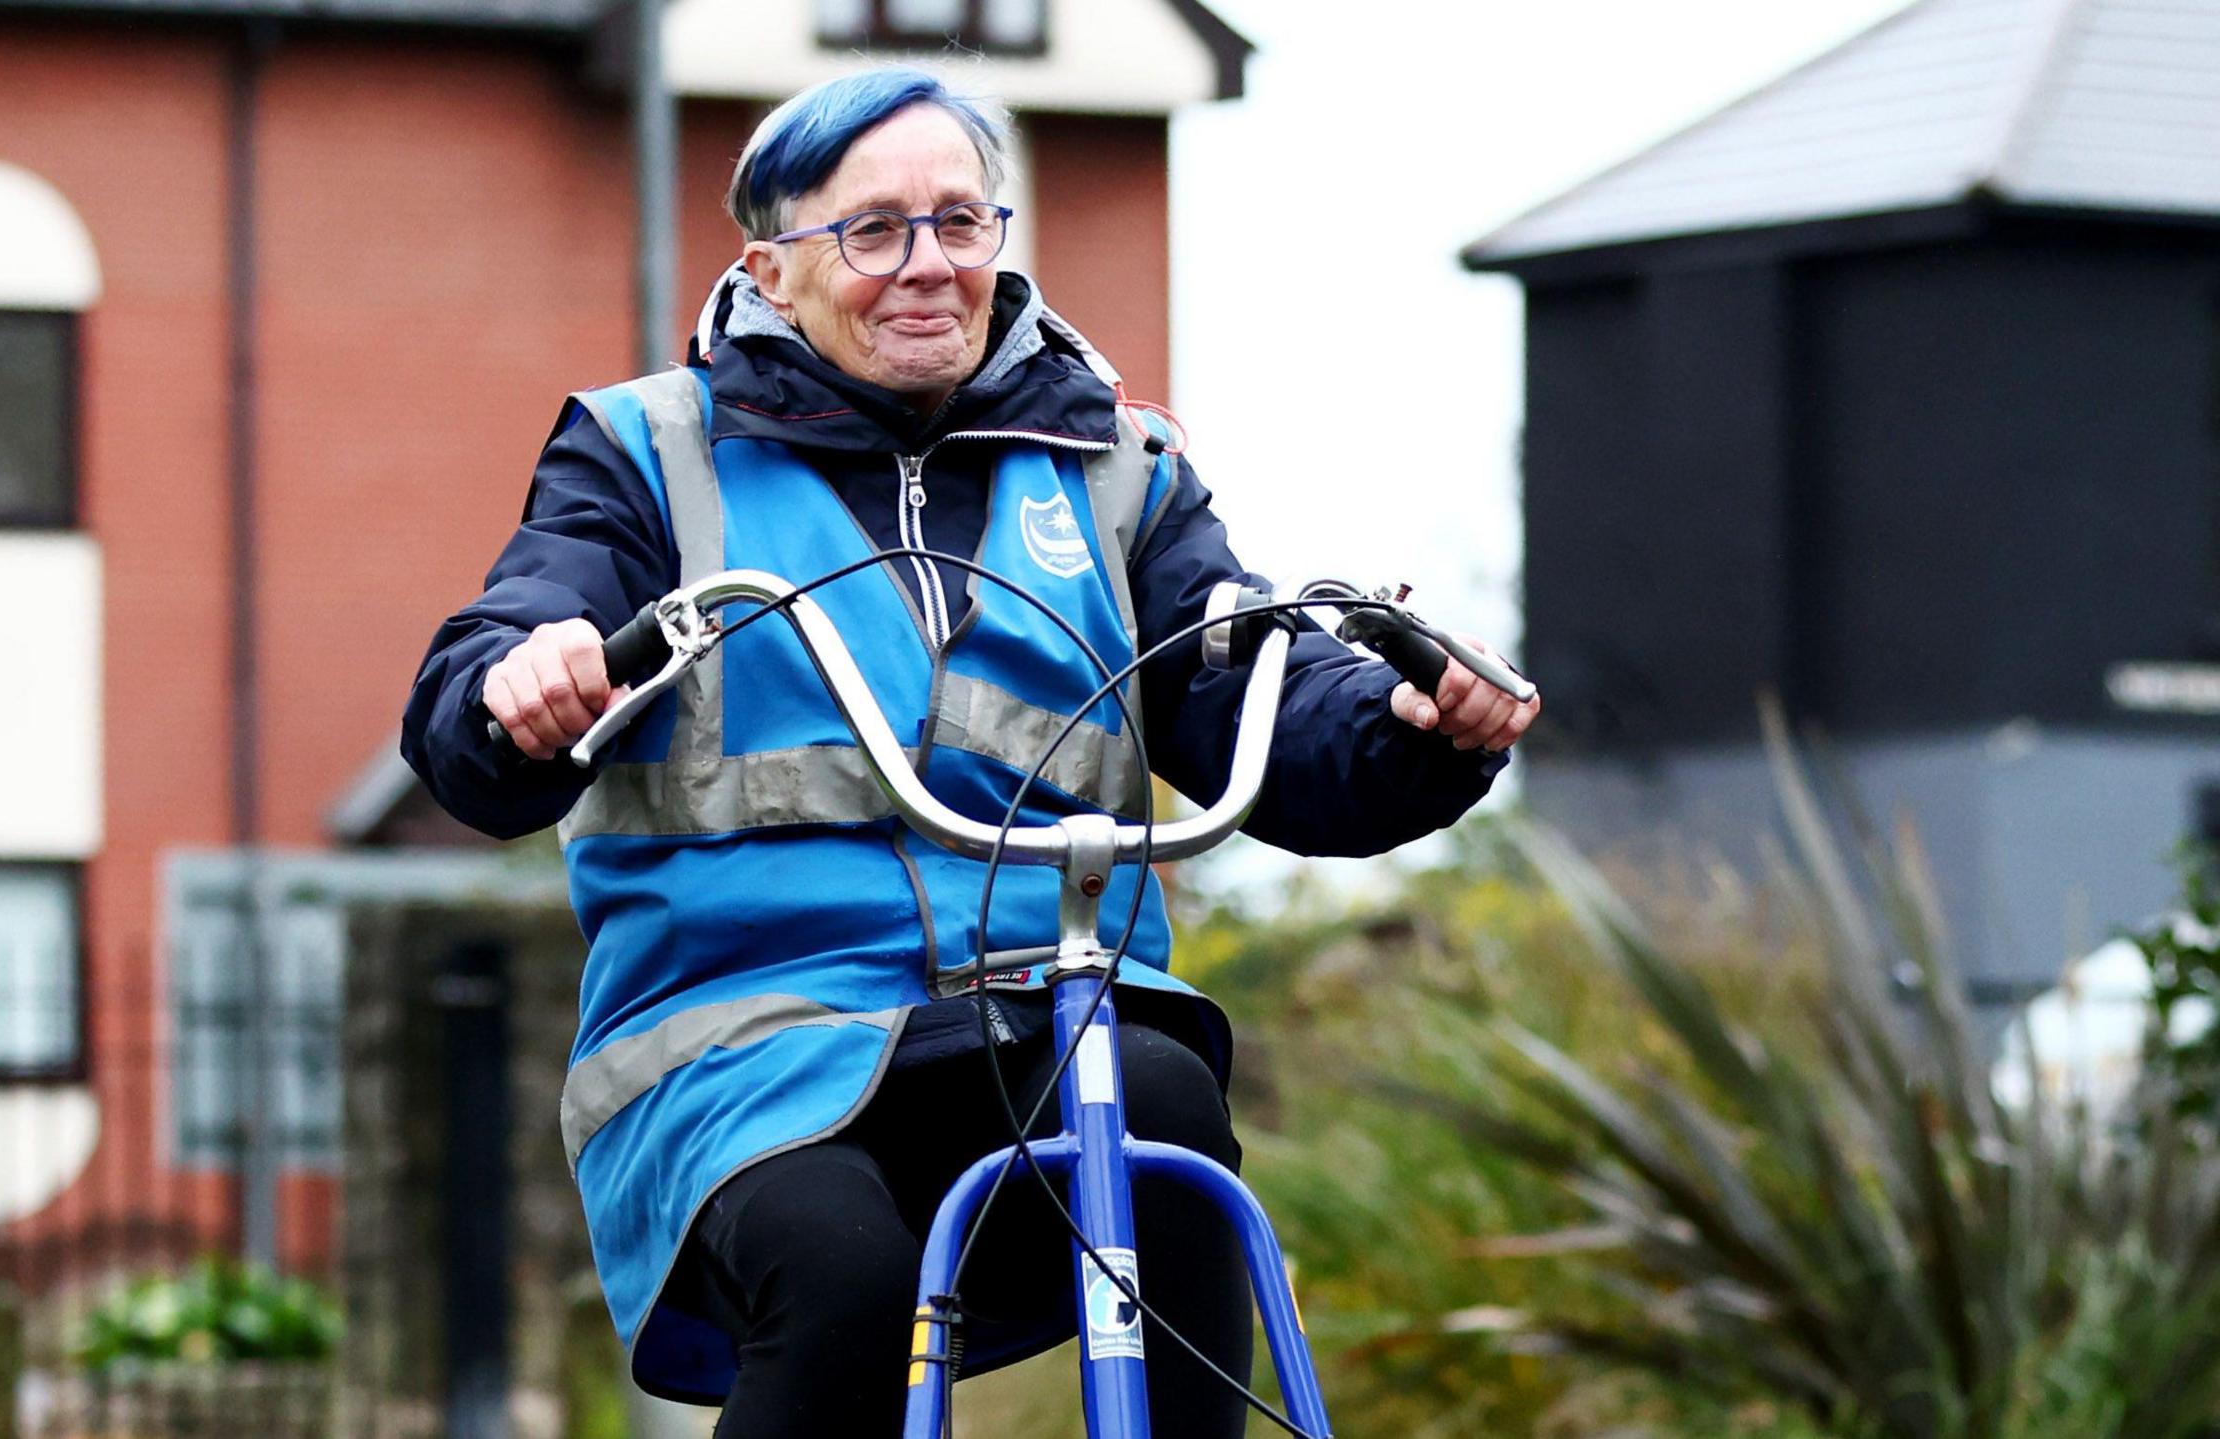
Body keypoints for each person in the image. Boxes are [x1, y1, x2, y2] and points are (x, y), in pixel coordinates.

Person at [403, 67, 1538, 1438]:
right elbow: (488, 689)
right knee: (842, 1271)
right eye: (873, 231)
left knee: (1166, 1124)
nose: (928, 265)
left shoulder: (1120, 470)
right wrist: (519, 688)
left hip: (1043, 1007)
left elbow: (1253, 704)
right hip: (747, 1043)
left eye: (961, 221)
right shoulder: (651, 456)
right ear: (770, 264)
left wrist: (1411, 732)